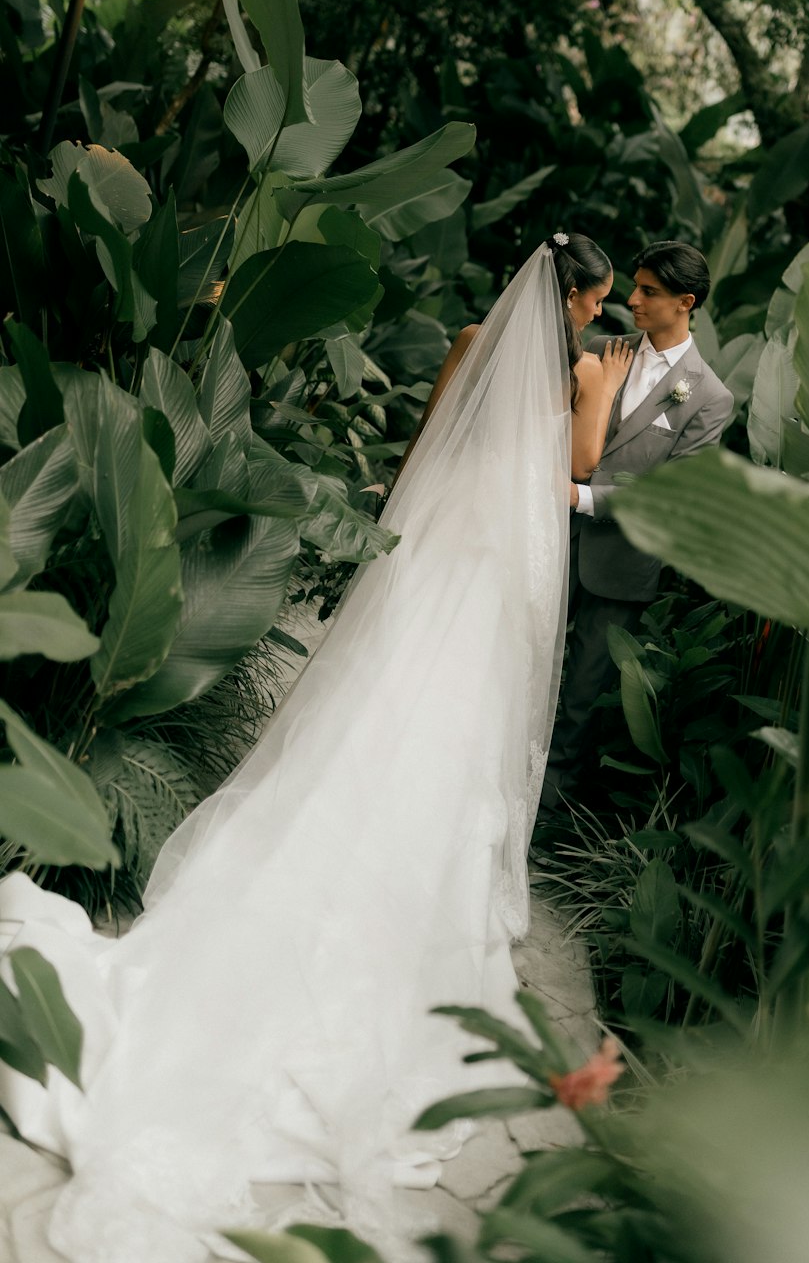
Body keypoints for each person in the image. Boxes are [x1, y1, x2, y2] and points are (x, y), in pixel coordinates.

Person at [0, 234, 633, 1263]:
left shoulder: (472, 338)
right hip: (485, 594)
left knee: (373, 729)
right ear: (587, 300)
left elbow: (426, 456)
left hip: (429, 571)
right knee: (448, 763)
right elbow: (579, 468)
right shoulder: (581, 368)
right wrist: (595, 386)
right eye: (598, 302)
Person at [540, 241, 734, 813]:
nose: (632, 299)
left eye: (649, 291)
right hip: (549, 542)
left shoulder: (710, 398)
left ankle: (544, 820)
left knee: (579, 700)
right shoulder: (603, 349)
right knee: (525, 673)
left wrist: (579, 496)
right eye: (636, 286)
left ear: (686, 302)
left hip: (620, 567)